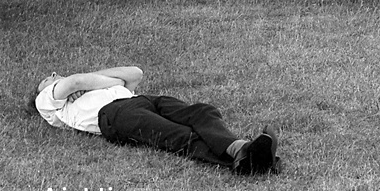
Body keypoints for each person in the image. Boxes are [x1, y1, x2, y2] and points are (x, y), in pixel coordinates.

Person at [33, 66, 279, 174]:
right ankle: (247, 159)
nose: (55, 75)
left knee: (202, 112)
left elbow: (135, 73)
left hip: (143, 99)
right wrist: (99, 82)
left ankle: (242, 149)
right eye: (49, 77)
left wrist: (92, 80)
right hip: (115, 115)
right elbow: (76, 82)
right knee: (177, 135)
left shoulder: (88, 83)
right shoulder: (45, 100)